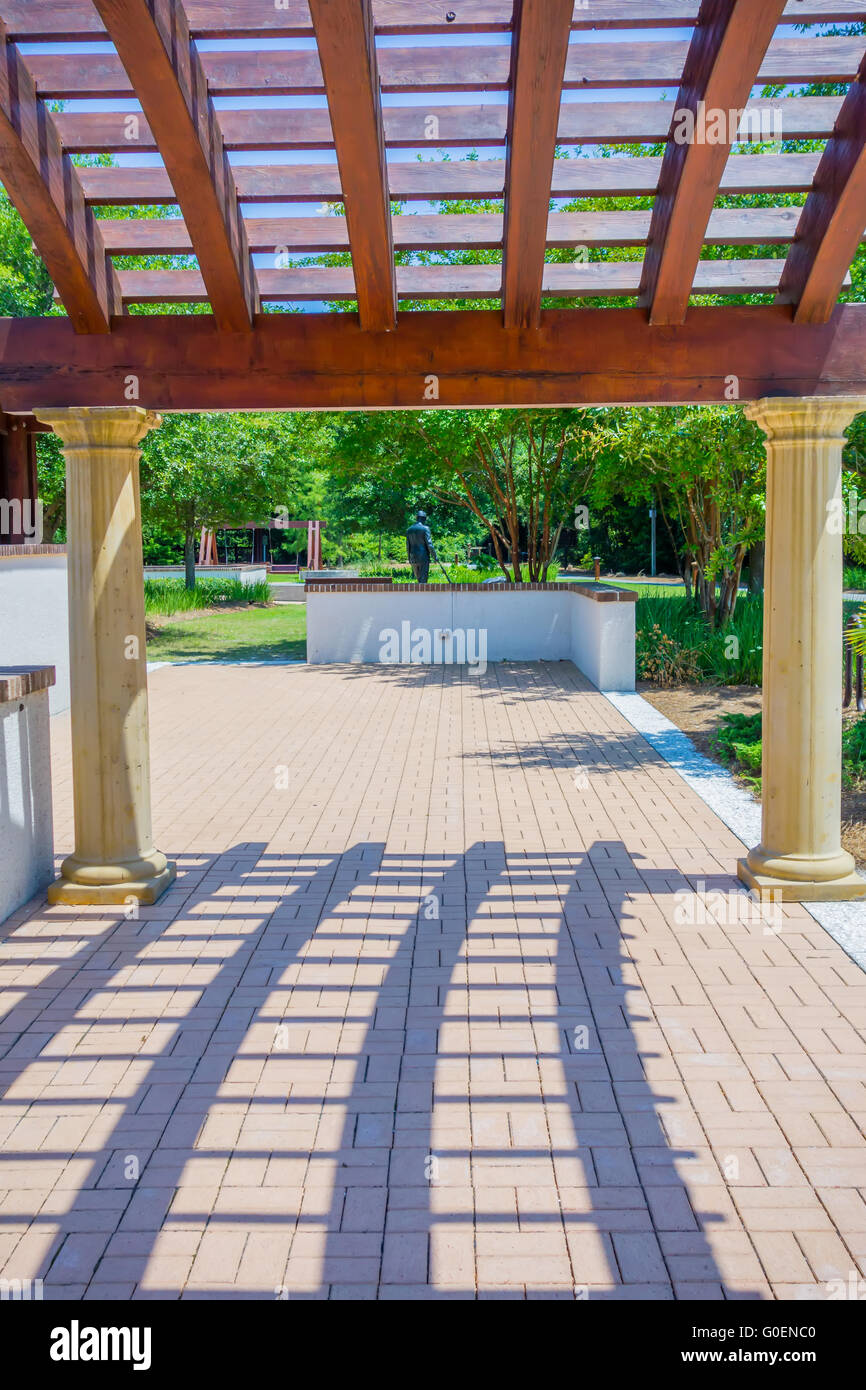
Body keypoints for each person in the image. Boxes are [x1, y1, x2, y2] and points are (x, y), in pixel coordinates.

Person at [406, 511, 436, 584]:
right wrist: (434, 556)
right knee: (423, 581)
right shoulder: (425, 528)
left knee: (418, 579)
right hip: (423, 557)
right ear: (424, 519)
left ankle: (419, 594)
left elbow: (407, 546)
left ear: (416, 518)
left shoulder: (409, 530)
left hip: (413, 557)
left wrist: (409, 558)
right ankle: (424, 595)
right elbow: (429, 544)